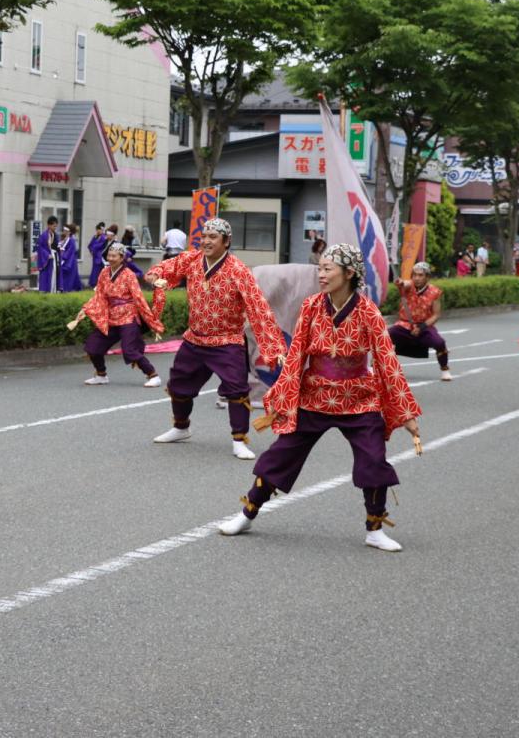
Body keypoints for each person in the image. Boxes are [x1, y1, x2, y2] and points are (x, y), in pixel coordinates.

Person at [218, 244, 422, 552]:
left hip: (358, 399)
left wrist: (404, 411)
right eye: (320, 268)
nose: (321, 274)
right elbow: (297, 353)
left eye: (328, 269)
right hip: (314, 396)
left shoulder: (369, 312)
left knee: (373, 459)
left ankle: (375, 529)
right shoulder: (312, 305)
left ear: (350, 274)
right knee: (281, 454)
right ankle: (247, 513)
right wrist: (282, 396)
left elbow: (386, 361)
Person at [144, 217, 286, 460]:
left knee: (236, 389)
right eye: (204, 236)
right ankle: (181, 427)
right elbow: (164, 269)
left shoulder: (238, 270)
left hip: (226, 342)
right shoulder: (191, 259)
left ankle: (238, 439)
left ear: (226, 241)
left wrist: (272, 346)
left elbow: (258, 307)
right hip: (194, 339)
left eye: (213, 237)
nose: (206, 241)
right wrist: (155, 276)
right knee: (178, 384)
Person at [70, 242, 164, 387]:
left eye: (114, 256)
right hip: (111, 317)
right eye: (109, 255)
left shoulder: (129, 275)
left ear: (122, 258)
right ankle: (101, 375)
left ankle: (153, 375)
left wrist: (151, 320)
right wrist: (86, 309)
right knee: (93, 346)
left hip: (128, 316)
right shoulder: (104, 272)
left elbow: (138, 297)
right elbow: (99, 295)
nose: (111, 258)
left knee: (129, 349)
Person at [389, 262, 452, 381]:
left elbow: (436, 314)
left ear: (427, 277)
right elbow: (404, 284)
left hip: (425, 326)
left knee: (439, 342)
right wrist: (400, 283)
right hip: (405, 324)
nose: (417, 278)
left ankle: (445, 369)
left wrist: (422, 327)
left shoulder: (434, 292)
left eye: (420, 275)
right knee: (384, 337)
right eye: (415, 275)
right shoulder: (408, 286)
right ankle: (375, 368)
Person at [35, 215, 60, 293]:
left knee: (53, 275)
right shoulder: (44, 235)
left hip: (54, 258)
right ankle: (44, 291)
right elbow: (40, 248)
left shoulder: (55, 235)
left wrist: (59, 249)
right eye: (53, 226)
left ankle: (53, 291)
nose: (55, 228)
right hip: (47, 259)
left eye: (56, 226)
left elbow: (56, 246)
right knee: (46, 276)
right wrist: (47, 255)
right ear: (49, 225)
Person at [58, 223, 83, 292]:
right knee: (72, 276)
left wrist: (62, 256)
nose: (63, 231)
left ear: (68, 232)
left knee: (70, 276)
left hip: (69, 261)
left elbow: (70, 251)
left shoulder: (71, 240)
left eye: (65, 230)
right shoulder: (64, 238)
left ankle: (67, 289)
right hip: (67, 260)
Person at [87, 222, 110, 287]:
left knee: (98, 270)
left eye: (98, 230)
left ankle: (98, 284)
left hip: (100, 256)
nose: (97, 231)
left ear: (101, 230)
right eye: (96, 230)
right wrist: (91, 250)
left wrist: (93, 248)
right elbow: (90, 245)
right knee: (94, 270)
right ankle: (93, 283)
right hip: (95, 256)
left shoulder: (104, 237)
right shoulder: (95, 237)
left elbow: (101, 246)